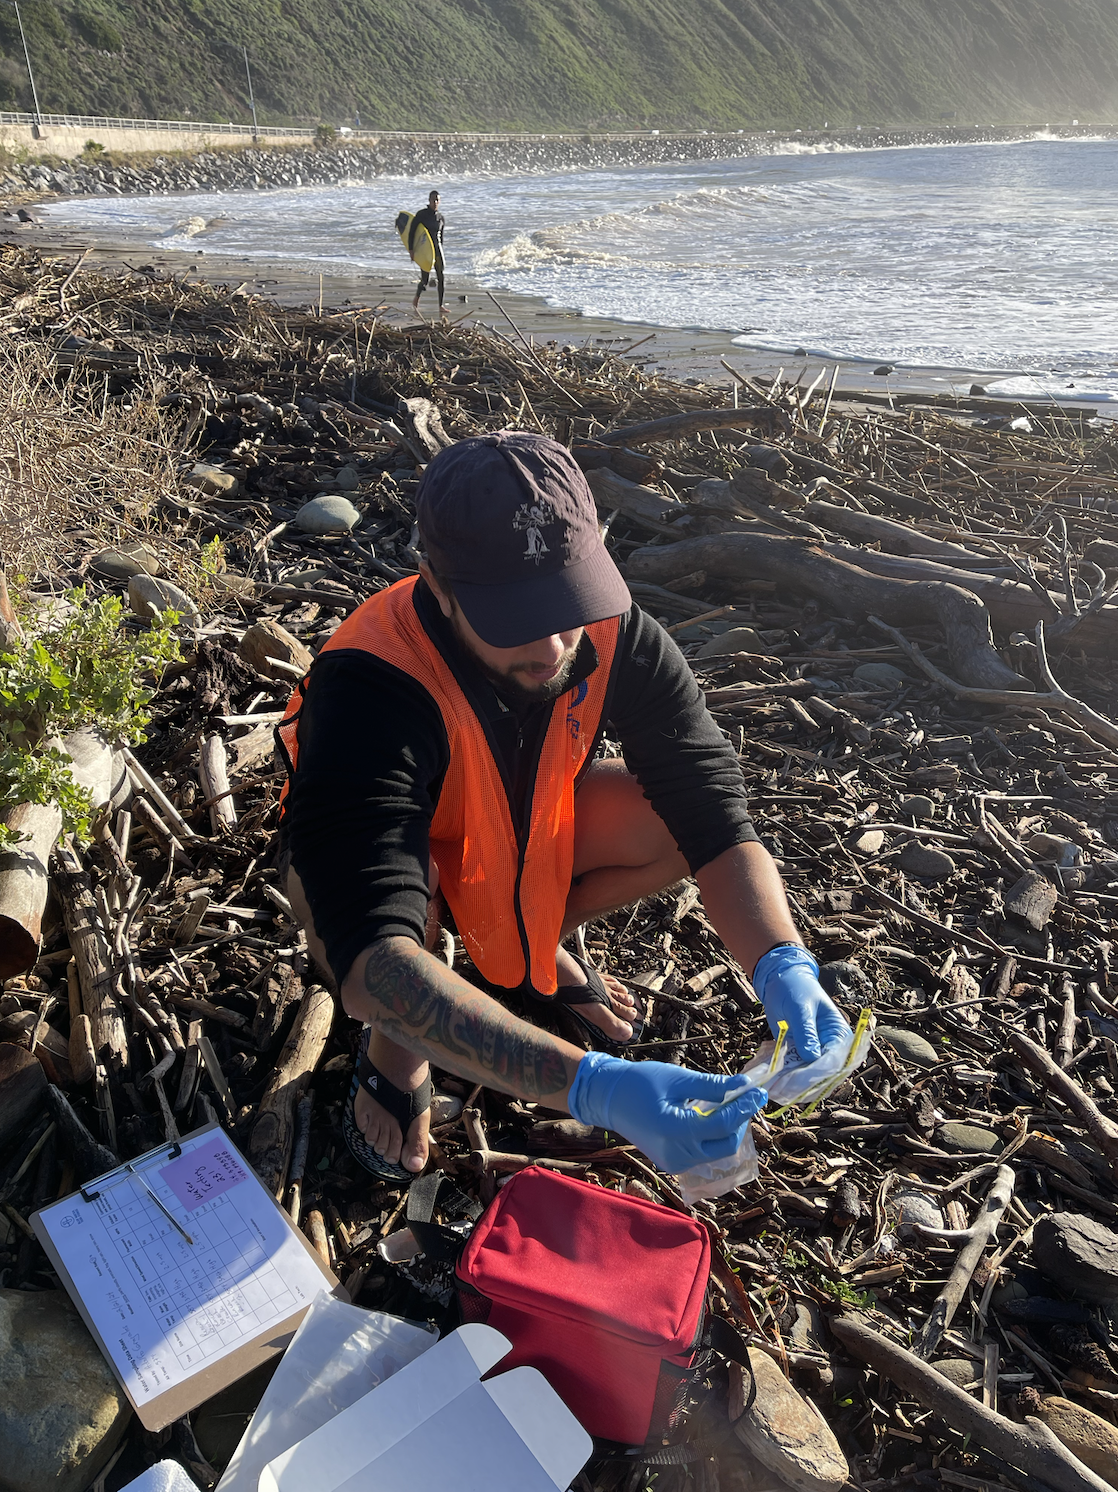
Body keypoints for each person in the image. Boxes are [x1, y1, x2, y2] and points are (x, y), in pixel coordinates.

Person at [276, 432, 851, 1183]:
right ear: (437, 584)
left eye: (565, 603)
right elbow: (369, 953)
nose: (552, 645)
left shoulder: (612, 628)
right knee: (397, 938)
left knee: (668, 819)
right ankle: (400, 1050)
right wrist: (593, 1087)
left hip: (516, 820)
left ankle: (531, 937)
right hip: (374, 854)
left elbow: (711, 809)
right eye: (514, 616)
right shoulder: (373, 682)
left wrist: (784, 965)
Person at [411, 188, 446, 318]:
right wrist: (411, 250)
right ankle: (416, 298)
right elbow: (412, 232)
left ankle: (440, 305)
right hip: (426, 251)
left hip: (438, 251)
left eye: (437, 200)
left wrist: (442, 251)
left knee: (441, 277)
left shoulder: (441, 218)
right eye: (433, 200)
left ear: (439, 201)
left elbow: (441, 237)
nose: (435, 202)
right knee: (425, 279)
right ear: (429, 200)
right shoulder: (421, 215)